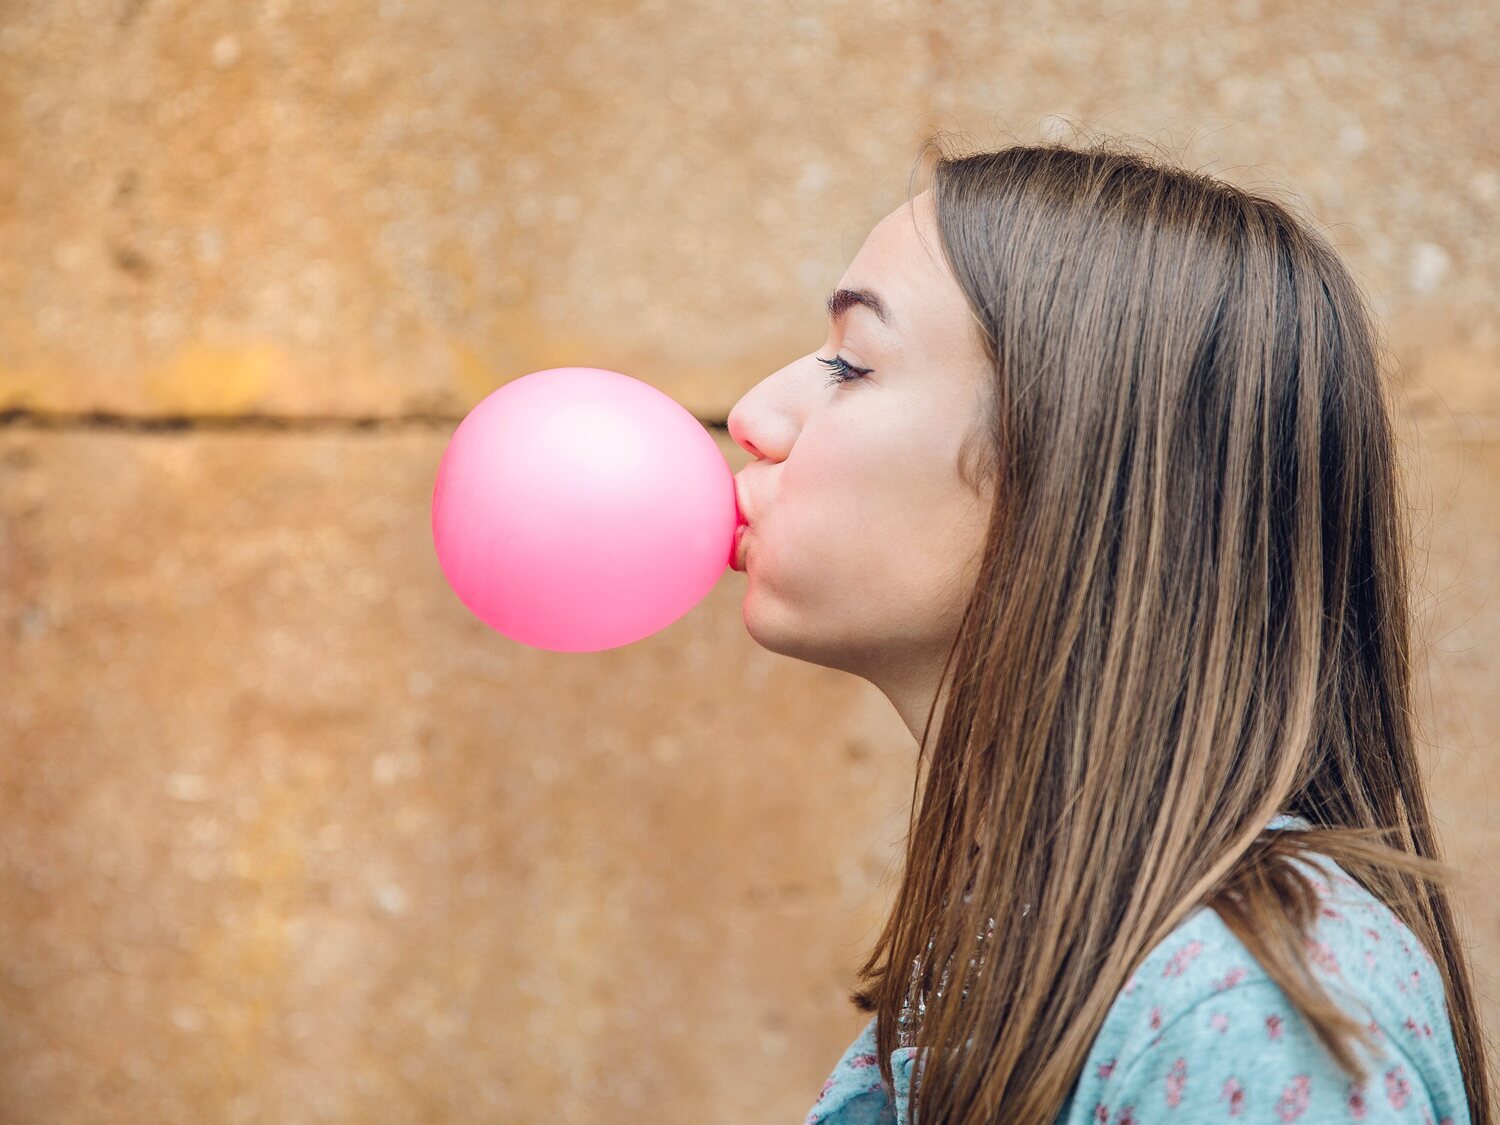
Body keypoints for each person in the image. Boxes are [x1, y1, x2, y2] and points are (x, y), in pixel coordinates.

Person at [724, 135, 1493, 1124]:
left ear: (1070, 469)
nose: (751, 413)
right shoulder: (1032, 941)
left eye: (851, 363)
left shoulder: (1240, 1012)